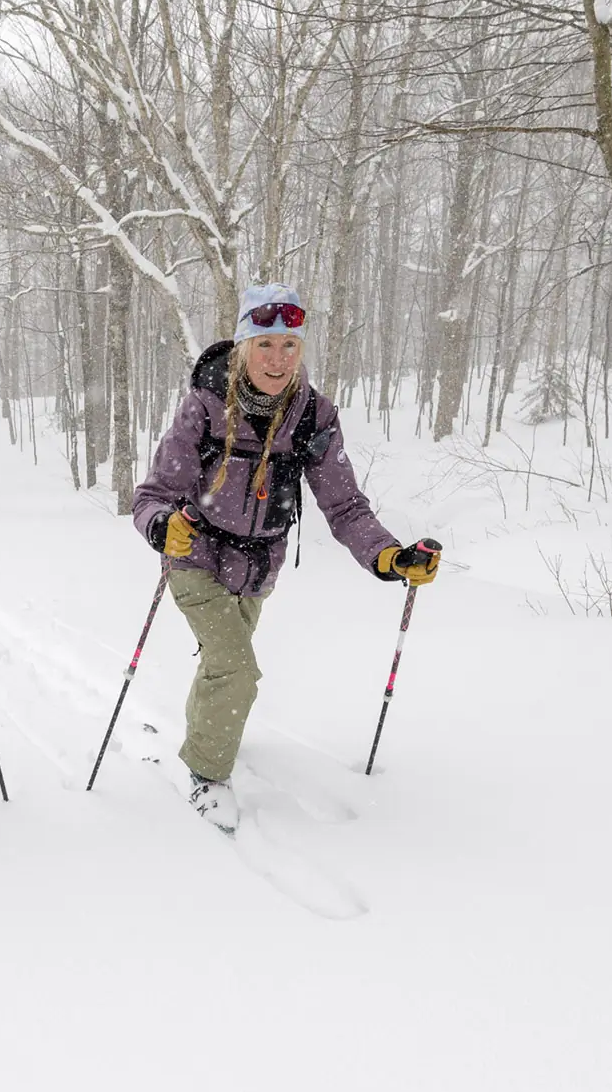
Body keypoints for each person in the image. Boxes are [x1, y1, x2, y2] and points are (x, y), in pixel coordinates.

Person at [131, 282, 441, 833]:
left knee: (222, 663)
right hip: (195, 555)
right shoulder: (204, 405)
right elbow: (154, 493)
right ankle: (204, 773)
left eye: (290, 346)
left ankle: (207, 728)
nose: (278, 359)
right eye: (266, 344)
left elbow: (344, 505)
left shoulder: (313, 417)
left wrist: (390, 557)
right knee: (237, 667)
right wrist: (162, 528)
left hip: (257, 567)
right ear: (244, 345)